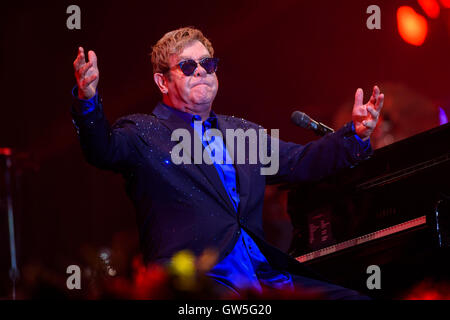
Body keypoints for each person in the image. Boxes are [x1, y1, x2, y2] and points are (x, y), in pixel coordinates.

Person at [71, 27, 383, 299]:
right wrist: (87, 101)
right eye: (188, 65)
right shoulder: (144, 131)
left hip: (263, 276)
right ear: (162, 82)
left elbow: (301, 161)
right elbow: (103, 148)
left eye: (207, 64)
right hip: (199, 284)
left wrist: (355, 134)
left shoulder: (241, 132)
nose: (201, 71)